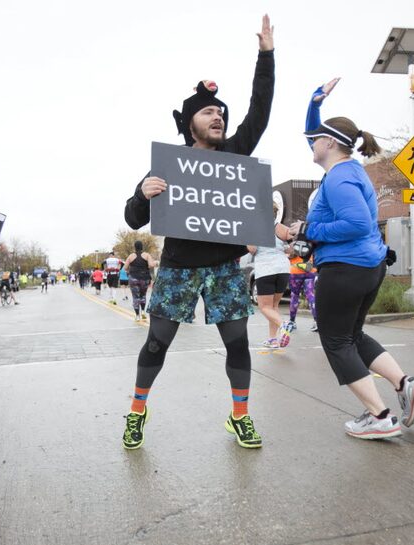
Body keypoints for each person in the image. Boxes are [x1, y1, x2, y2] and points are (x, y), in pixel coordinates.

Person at [122, 15, 275, 450]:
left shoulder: (235, 153)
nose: (219, 116)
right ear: (190, 121)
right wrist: (142, 193)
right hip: (178, 269)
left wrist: (266, 56)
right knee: (156, 345)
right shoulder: (168, 164)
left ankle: (240, 416)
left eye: (221, 113)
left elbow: (259, 110)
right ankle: (137, 412)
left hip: (225, 268)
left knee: (238, 345)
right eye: (209, 112)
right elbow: (134, 218)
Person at [289, 104, 414, 441]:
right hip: (368, 266)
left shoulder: (339, 178)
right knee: (352, 337)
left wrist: (309, 229)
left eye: (315, 140)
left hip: (345, 268)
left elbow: (356, 223)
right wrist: (314, 104)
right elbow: (355, 223)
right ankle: (406, 384)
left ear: (329, 143)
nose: (311, 144)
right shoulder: (349, 171)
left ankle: (380, 416)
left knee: (336, 342)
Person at [247, 204, 295, 348]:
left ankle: (284, 325)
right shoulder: (281, 228)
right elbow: (294, 249)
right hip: (283, 268)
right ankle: (273, 339)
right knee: (274, 306)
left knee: (264, 307)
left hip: (266, 269)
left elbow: (252, 250)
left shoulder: (255, 229)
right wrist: (284, 249)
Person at [125, 240, 158, 321]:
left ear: (135, 247)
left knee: (135, 297)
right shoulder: (146, 255)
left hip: (133, 278)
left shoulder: (131, 256)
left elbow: (125, 267)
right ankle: (143, 312)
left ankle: (137, 316)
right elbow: (150, 265)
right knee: (143, 295)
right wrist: (156, 262)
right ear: (142, 247)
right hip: (145, 278)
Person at [288, 253, 318, 332]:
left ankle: (292, 322)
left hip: (295, 271)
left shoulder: (292, 242)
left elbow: (291, 255)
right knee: (310, 295)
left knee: (294, 296)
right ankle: (317, 321)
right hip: (310, 270)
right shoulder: (311, 240)